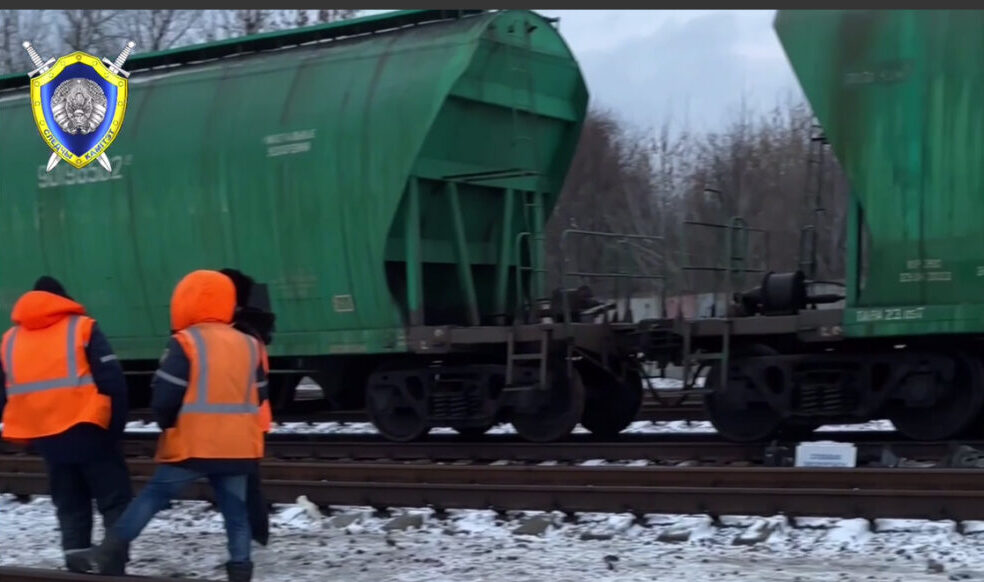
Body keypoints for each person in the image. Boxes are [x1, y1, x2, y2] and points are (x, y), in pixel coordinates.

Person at [67, 270, 269, 582]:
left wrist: (168, 424)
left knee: (152, 498)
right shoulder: (249, 344)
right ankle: (241, 570)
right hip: (239, 446)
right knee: (236, 512)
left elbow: (165, 396)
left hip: (194, 444)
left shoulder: (186, 342)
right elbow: (260, 395)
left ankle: (110, 551)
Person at [0, 276, 132, 574]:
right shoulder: (82, 327)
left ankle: (77, 566)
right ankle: (113, 563)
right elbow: (113, 382)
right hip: (90, 430)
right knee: (114, 499)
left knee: (70, 503)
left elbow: (3, 393)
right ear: (63, 299)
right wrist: (113, 430)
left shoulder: (10, 340)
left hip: (48, 438)